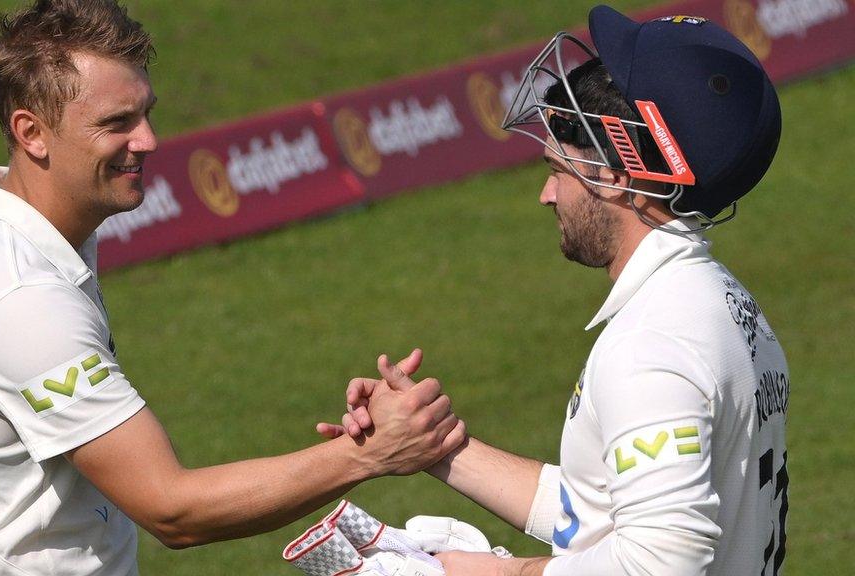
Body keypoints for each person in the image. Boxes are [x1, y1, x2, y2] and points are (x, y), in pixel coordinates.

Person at [0, 1, 465, 574]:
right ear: (32, 133)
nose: (149, 140)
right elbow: (173, 510)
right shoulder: (20, 300)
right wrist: (368, 454)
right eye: (117, 123)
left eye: (146, 113)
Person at [320, 5, 789, 575]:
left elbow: (659, 563)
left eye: (559, 168)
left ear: (616, 175)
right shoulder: (722, 303)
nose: (547, 194)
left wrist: (483, 572)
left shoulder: (654, 347)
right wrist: (436, 447)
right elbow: (603, 511)